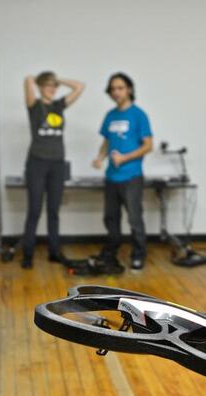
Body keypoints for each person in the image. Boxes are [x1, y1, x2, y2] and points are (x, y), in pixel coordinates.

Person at [20, 71, 85, 269]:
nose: (52, 88)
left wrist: (59, 80)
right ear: (40, 87)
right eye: (47, 85)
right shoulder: (35, 106)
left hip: (57, 164)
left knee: (54, 210)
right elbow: (27, 84)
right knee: (34, 210)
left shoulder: (59, 106)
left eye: (53, 85)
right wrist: (32, 81)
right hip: (37, 163)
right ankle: (28, 254)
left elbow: (79, 86)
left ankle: (54, 251)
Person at [92, 72, 153, 271]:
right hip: (111, 177)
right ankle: (111, 252)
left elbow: (148, 146)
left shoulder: (139, 114)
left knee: (134, 218)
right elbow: (107, 141)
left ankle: (138, 255)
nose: (116, 92)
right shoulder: (110, 115)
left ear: (129, 89)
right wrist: (100, 158)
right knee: (110, 218)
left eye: (120, 88)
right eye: (112, 89)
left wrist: (124, 158)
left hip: (131, 176)